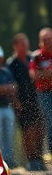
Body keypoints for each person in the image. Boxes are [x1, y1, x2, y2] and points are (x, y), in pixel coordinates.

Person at [7, 33, 45, 171]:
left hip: (37, 99)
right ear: (15, 46)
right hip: (22, 102)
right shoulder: (11, 63)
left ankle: (39, 158)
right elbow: (10, 84)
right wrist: (15, 101)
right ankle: (31, 160)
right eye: (21, 43)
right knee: (27, 131)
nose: (25, 46)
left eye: (26, 42)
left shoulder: (32, 58)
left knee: (39, 128)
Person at [30, 27, 52, 156]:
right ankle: (49, 150)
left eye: (50, 39)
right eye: (45, 40)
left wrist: (43, 74)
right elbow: (34, 75)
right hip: (44, 93)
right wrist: (47, 74)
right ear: (40, 42)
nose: (48, 42)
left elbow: (40, 75)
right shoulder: (36, 56)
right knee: (49, 120)